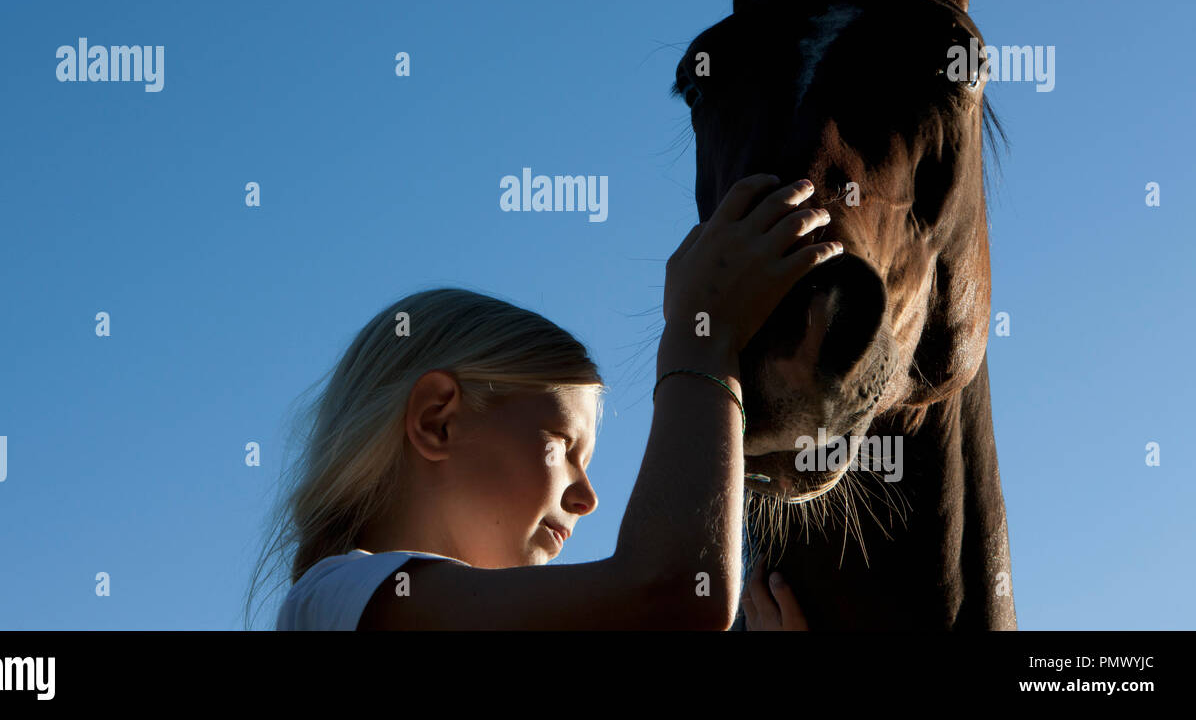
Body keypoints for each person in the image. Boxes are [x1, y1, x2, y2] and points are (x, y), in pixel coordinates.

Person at [245, 173, 839, 630]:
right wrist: (703, 341)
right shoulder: (331, 600)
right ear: (437, 422)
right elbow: (673, 590)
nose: (587, 498)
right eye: (561, 445)